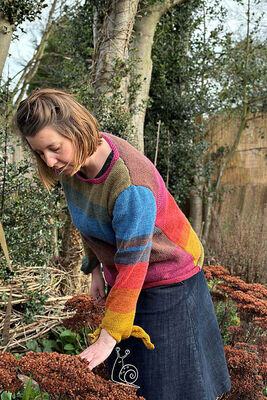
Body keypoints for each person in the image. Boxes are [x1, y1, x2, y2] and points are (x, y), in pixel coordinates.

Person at [15, 88, 231, 400]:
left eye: (53, 148)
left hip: (170, 277)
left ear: (75, 130)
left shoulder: (129, 184)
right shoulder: (71, 165)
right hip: (130, 279)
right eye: (39, 153)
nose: (49, 161)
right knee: (131, 380)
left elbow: (133, 264)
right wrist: (94, 270)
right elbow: (89, 222)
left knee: (168, 387)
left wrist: (107, 337)